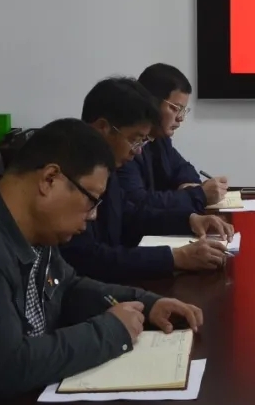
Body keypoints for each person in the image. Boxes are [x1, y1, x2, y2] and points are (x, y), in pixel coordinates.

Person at [0, 119, 204, 405]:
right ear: (50, 179)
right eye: (91, 200)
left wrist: (145, 303)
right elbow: (8, 367)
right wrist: (112, 331)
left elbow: (67, 287)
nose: (93, 215)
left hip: (33, 403)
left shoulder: (30, 225)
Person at [59, 77, 232, 282]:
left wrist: (189, 220)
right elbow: (88, 258)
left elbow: (130, 216)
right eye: (134, 140)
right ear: (103, 127)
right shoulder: (68, 176)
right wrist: (174, 258)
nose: (138, 151)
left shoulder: (106, 167)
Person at [117, 63, 228, 217]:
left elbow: (183, 168)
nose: (181, 118)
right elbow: (139, 202)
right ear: (152, 103)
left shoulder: (159, 139)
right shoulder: (124, 145)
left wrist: (187, 186)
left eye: (183, 110)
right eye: (175, 108)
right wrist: (198, 194)